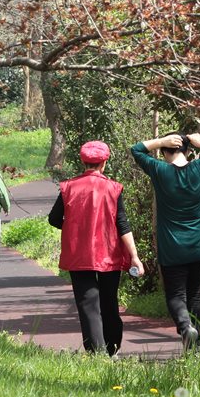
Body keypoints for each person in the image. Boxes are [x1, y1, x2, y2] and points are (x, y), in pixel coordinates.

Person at [130, 132, 200, 350]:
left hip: (172, 246)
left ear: (164, 152)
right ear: (189, 150)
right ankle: (193, 348)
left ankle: (186, 328)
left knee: (176, 294)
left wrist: (159, 142)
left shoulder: (160, 170)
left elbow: (136, 150)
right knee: (194, 294)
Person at [48, 141, 144, 356]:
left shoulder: (68, 187)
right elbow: (122, 224)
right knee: (109, 302)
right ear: (104, 163)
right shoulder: (114, 188)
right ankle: (112, 348)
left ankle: (96, 352)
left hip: (78, 255)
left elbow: (54, 219)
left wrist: (74, 226)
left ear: (83, 161)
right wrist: (135, 256)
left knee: (87, 304)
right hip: (109, 254)